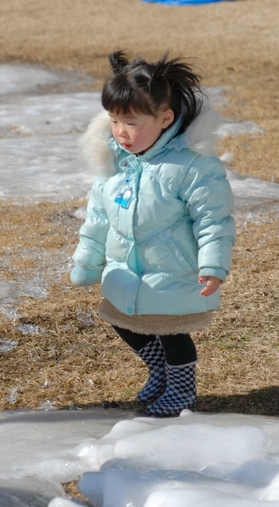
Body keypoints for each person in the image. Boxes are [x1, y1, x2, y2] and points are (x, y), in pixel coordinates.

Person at [70, 51, 235, 416]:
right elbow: (98, 215)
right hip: (126, 269)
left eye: (131, 122)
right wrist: (88, 259)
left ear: (165, 118)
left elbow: (213, 219)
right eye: (114, 120)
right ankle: (159, 370)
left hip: (174, 269)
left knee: (172, 332)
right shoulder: (114, 162)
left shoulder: (192, 166)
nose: (120, 132)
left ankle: (182, 389)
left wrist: (213, 265)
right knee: (123, 321)